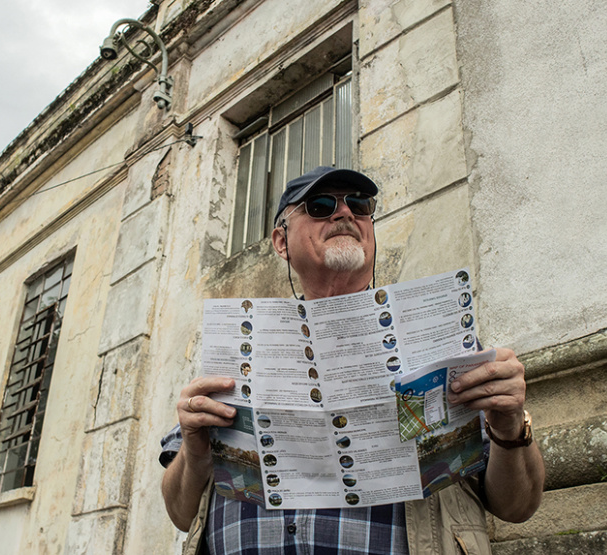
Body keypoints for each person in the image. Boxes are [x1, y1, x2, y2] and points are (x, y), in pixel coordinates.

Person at [159, 166, 545, 554]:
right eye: (320, 205)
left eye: (359, 205)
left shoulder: (438, 337)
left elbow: (517, 507)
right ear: (281, 241)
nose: (344, 213)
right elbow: (181, 513)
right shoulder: (235, 349)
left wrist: (510, 424)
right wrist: (194, 449)